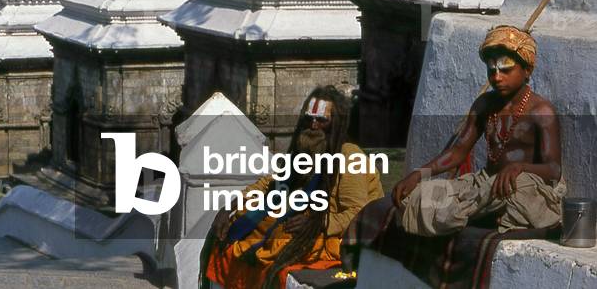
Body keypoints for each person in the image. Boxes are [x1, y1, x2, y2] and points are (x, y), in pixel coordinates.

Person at [392, 24, 565, 236]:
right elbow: (457, 153)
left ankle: (480, 213)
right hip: (483, 185)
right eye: (492, 70)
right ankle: (481, 213)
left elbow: (554, 170)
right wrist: (419, 174)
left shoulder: (542, 111)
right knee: (415, 197)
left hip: (520, 186)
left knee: (519, 190)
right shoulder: (484, 104)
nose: (497, 77)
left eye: (506, 70)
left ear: (527, 70)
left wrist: (520, 167)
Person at [204, 86, 383, 289]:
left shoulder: (350, 155)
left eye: (322, 120)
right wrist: (229, 208)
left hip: (333, 235)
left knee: (279, 234)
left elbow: (358, 212)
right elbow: (268, 184)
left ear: (337, 123)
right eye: (309, 119)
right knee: (241, 219)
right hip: (301, 218)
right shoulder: (303, 154)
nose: (313, 125)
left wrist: (318, 223)